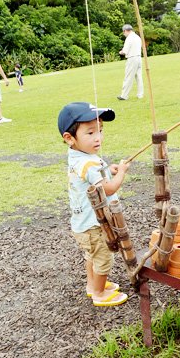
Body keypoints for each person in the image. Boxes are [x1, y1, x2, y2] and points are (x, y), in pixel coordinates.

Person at [58, 102, 130, 307]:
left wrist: (110, 169)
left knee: (91, 255)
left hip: (84, 225)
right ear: (69, 138)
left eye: (100, 130)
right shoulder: (88, 163)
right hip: (94, 225)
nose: (98, 137)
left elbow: (95, 174)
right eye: (90, 132)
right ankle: (99, 293)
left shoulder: (80, 156)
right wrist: (122, 172)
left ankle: (92, 286)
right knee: (103, 258)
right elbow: (107, 189)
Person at [117, 24, 143, 101]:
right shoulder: (138, 37)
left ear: (125, 31)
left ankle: (124, 95)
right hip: (138, 57)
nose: (124, 34)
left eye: (123, 32)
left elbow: (125, 51)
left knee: (128, 77)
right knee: (139, 77)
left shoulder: (129, 38)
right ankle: (140, 94)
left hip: (132, 58)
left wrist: (120, 52)